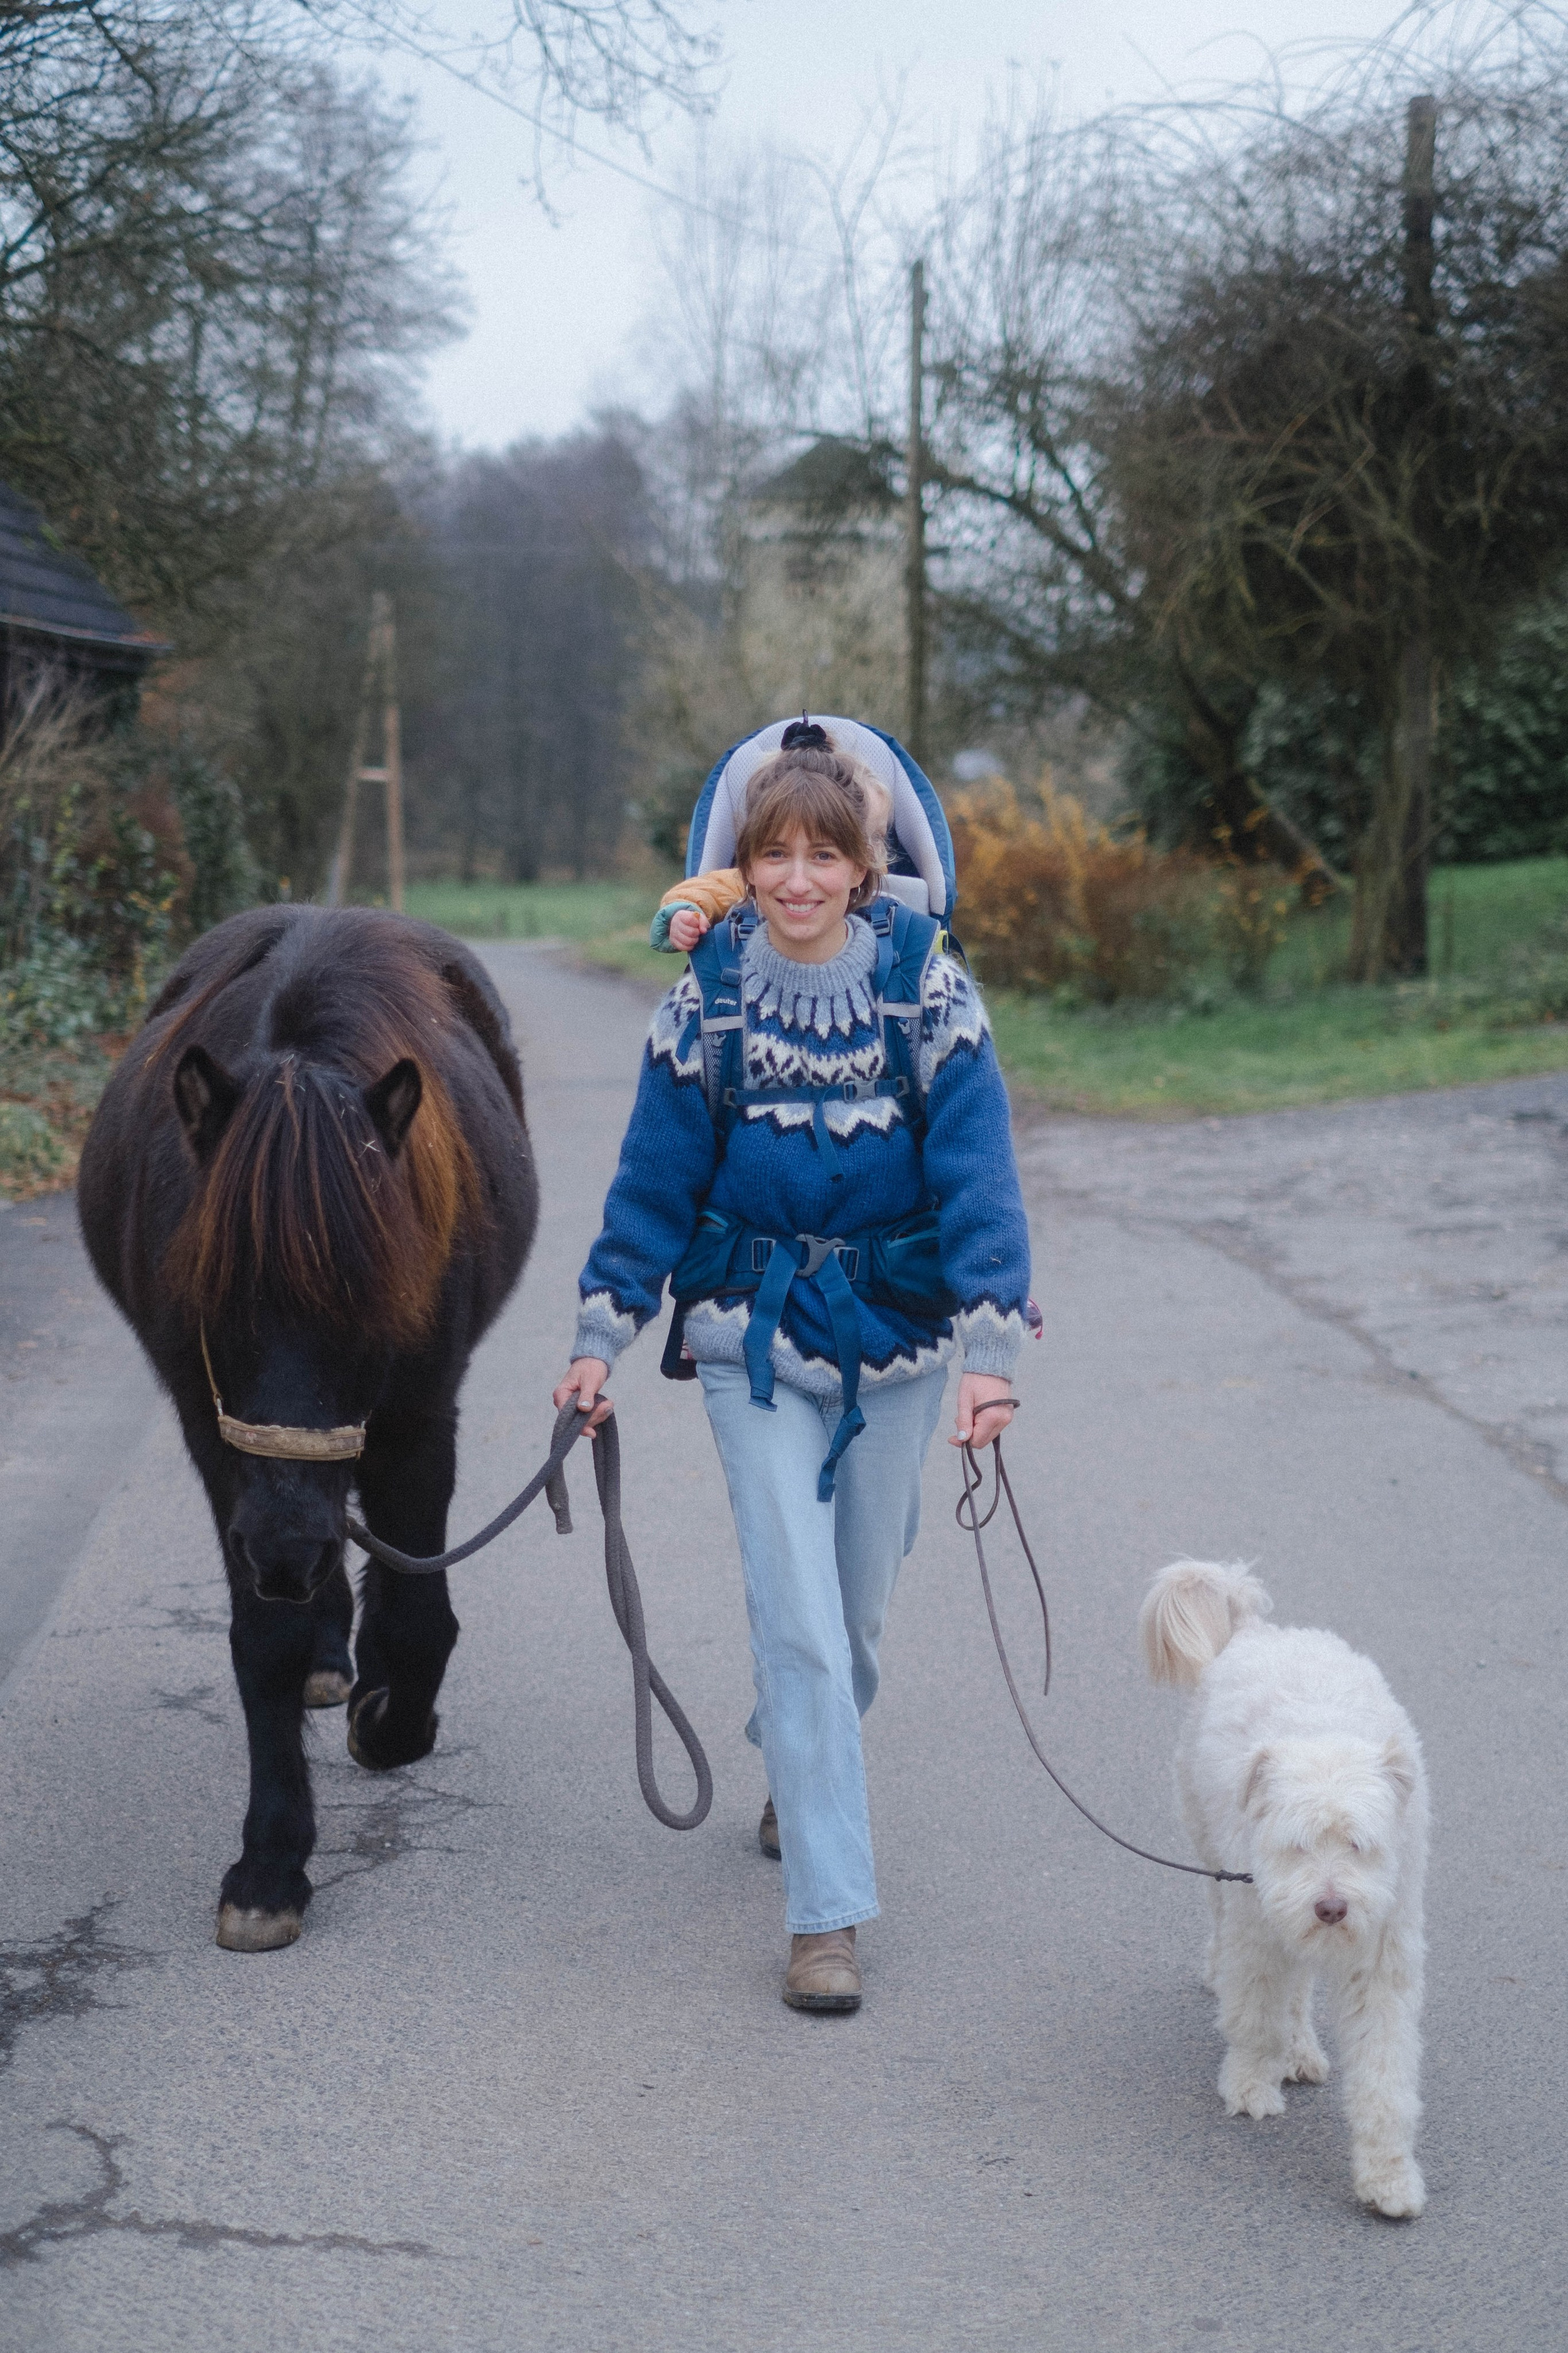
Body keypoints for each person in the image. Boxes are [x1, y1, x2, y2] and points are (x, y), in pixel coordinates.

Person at [552, 726, 1031, 2014]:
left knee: (853, 1621)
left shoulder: (927, 990)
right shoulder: (703, 1000)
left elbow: (979, 1173)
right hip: (748, 1342)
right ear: (742, 866)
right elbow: (651, 1187)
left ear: (867, 868)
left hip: (899, 1340)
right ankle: (827, 1916)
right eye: (776, 855)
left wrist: (990, 1352)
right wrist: (598, 1339)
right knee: (801, 1622)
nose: (800, 879)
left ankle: (796, 1751)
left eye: (826, 855)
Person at [648, 765, 894, 958]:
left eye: (879, 837)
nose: (798, 884)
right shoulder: (757, 880)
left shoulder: (895, 899)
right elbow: (711, 889)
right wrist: (685, 914)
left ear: (859, 867)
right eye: (777, 853)